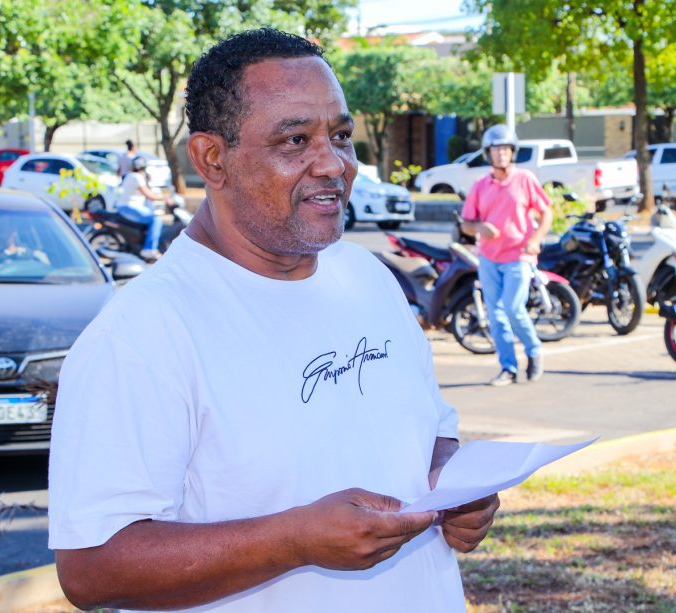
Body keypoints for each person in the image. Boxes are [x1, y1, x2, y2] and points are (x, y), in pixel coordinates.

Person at [48, 28, 499, 612]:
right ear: (212, 159)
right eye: (295, 140)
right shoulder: (142, 334)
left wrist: (452, 485)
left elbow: (430, 429)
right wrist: (293, 540)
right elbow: (91, 569)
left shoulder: (366, 278)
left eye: (340, 136)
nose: (333, 164)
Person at [460, 124, 554, 386]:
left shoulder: (525, 179)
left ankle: (534, 351)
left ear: (513, 152)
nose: (501, 154)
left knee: (513, 308)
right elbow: (467, 223)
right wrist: (479, 227)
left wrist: (536, 240)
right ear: (488, 154)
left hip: (519, 257)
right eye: (495, 149)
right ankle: (508, 368)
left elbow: (547, 212)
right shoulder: (480, 185)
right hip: (489, 258)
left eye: (505, 148)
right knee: (496, 315)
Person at [116, 155, 171, 261]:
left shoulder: (130, 175)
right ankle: (149, 249)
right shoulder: (136, 177)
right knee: (156, 220)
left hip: (125, 207)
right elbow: (149, 195)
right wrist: (165, 198)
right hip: (129, 207)